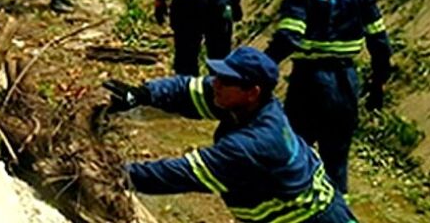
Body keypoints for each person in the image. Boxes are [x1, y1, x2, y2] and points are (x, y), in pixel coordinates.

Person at [105, 47, 358, 223]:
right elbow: (188, 90)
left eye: (225, 80)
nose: (215, 83)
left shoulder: (254, 144)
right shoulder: (246, 104)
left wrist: (111, 172)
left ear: (252, 91)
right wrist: (141, 94)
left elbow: (179, 174)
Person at [265, 0, 392, 197]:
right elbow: (380, 42)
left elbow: (288, 36)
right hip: (346, 84)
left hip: (309, 84)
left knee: (294, 154)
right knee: (336, 162)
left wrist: (260, 67)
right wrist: (378, 83)